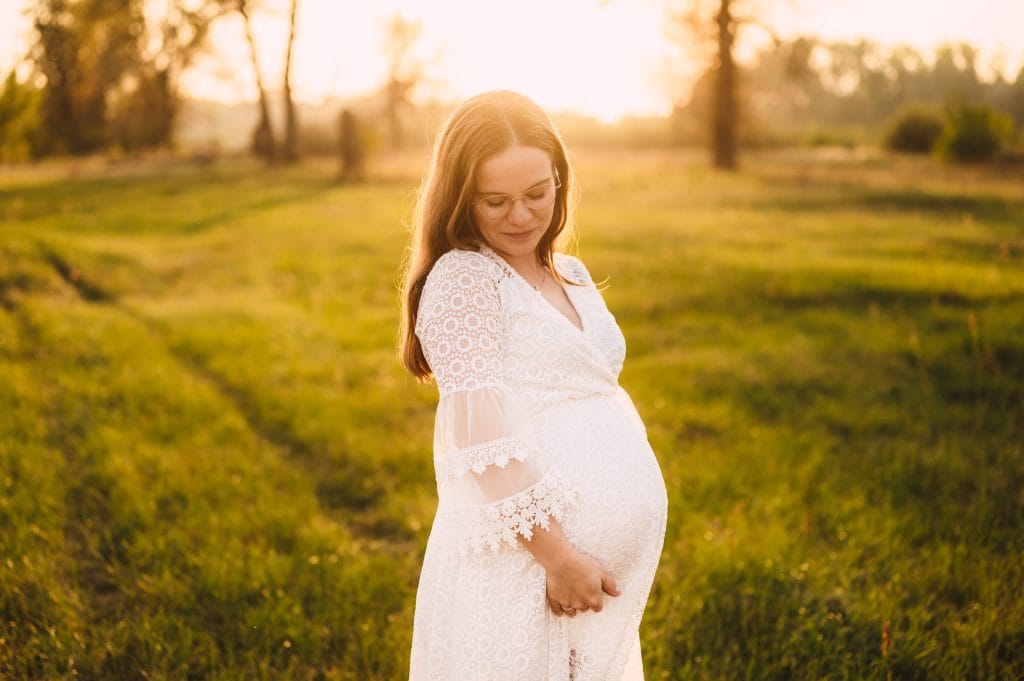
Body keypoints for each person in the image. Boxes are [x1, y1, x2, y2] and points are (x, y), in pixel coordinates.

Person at [399, 90, 667, 681]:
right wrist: (560, 558)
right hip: (522, 563)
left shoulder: (567, 272)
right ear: (459, 199)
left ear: (560, 183)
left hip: (574, 576)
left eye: (537, 194)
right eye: (495, 201)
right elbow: (480, 439)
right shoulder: (465, 279)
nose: (520, 216)